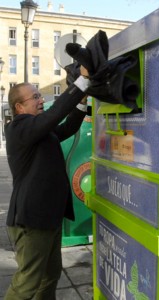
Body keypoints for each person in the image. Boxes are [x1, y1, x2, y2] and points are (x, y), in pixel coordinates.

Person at [4, 66, 90, 300]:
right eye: (35, 97)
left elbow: (67, 127)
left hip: (48, 218)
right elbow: (54, 115)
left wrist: (81, 101)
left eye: (39, 95)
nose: (41, 99)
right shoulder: (18, 128)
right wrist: (81, 81)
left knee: (50, 275)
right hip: (32, 221)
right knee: (27, 284)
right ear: (19, 107)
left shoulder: (40, 132)